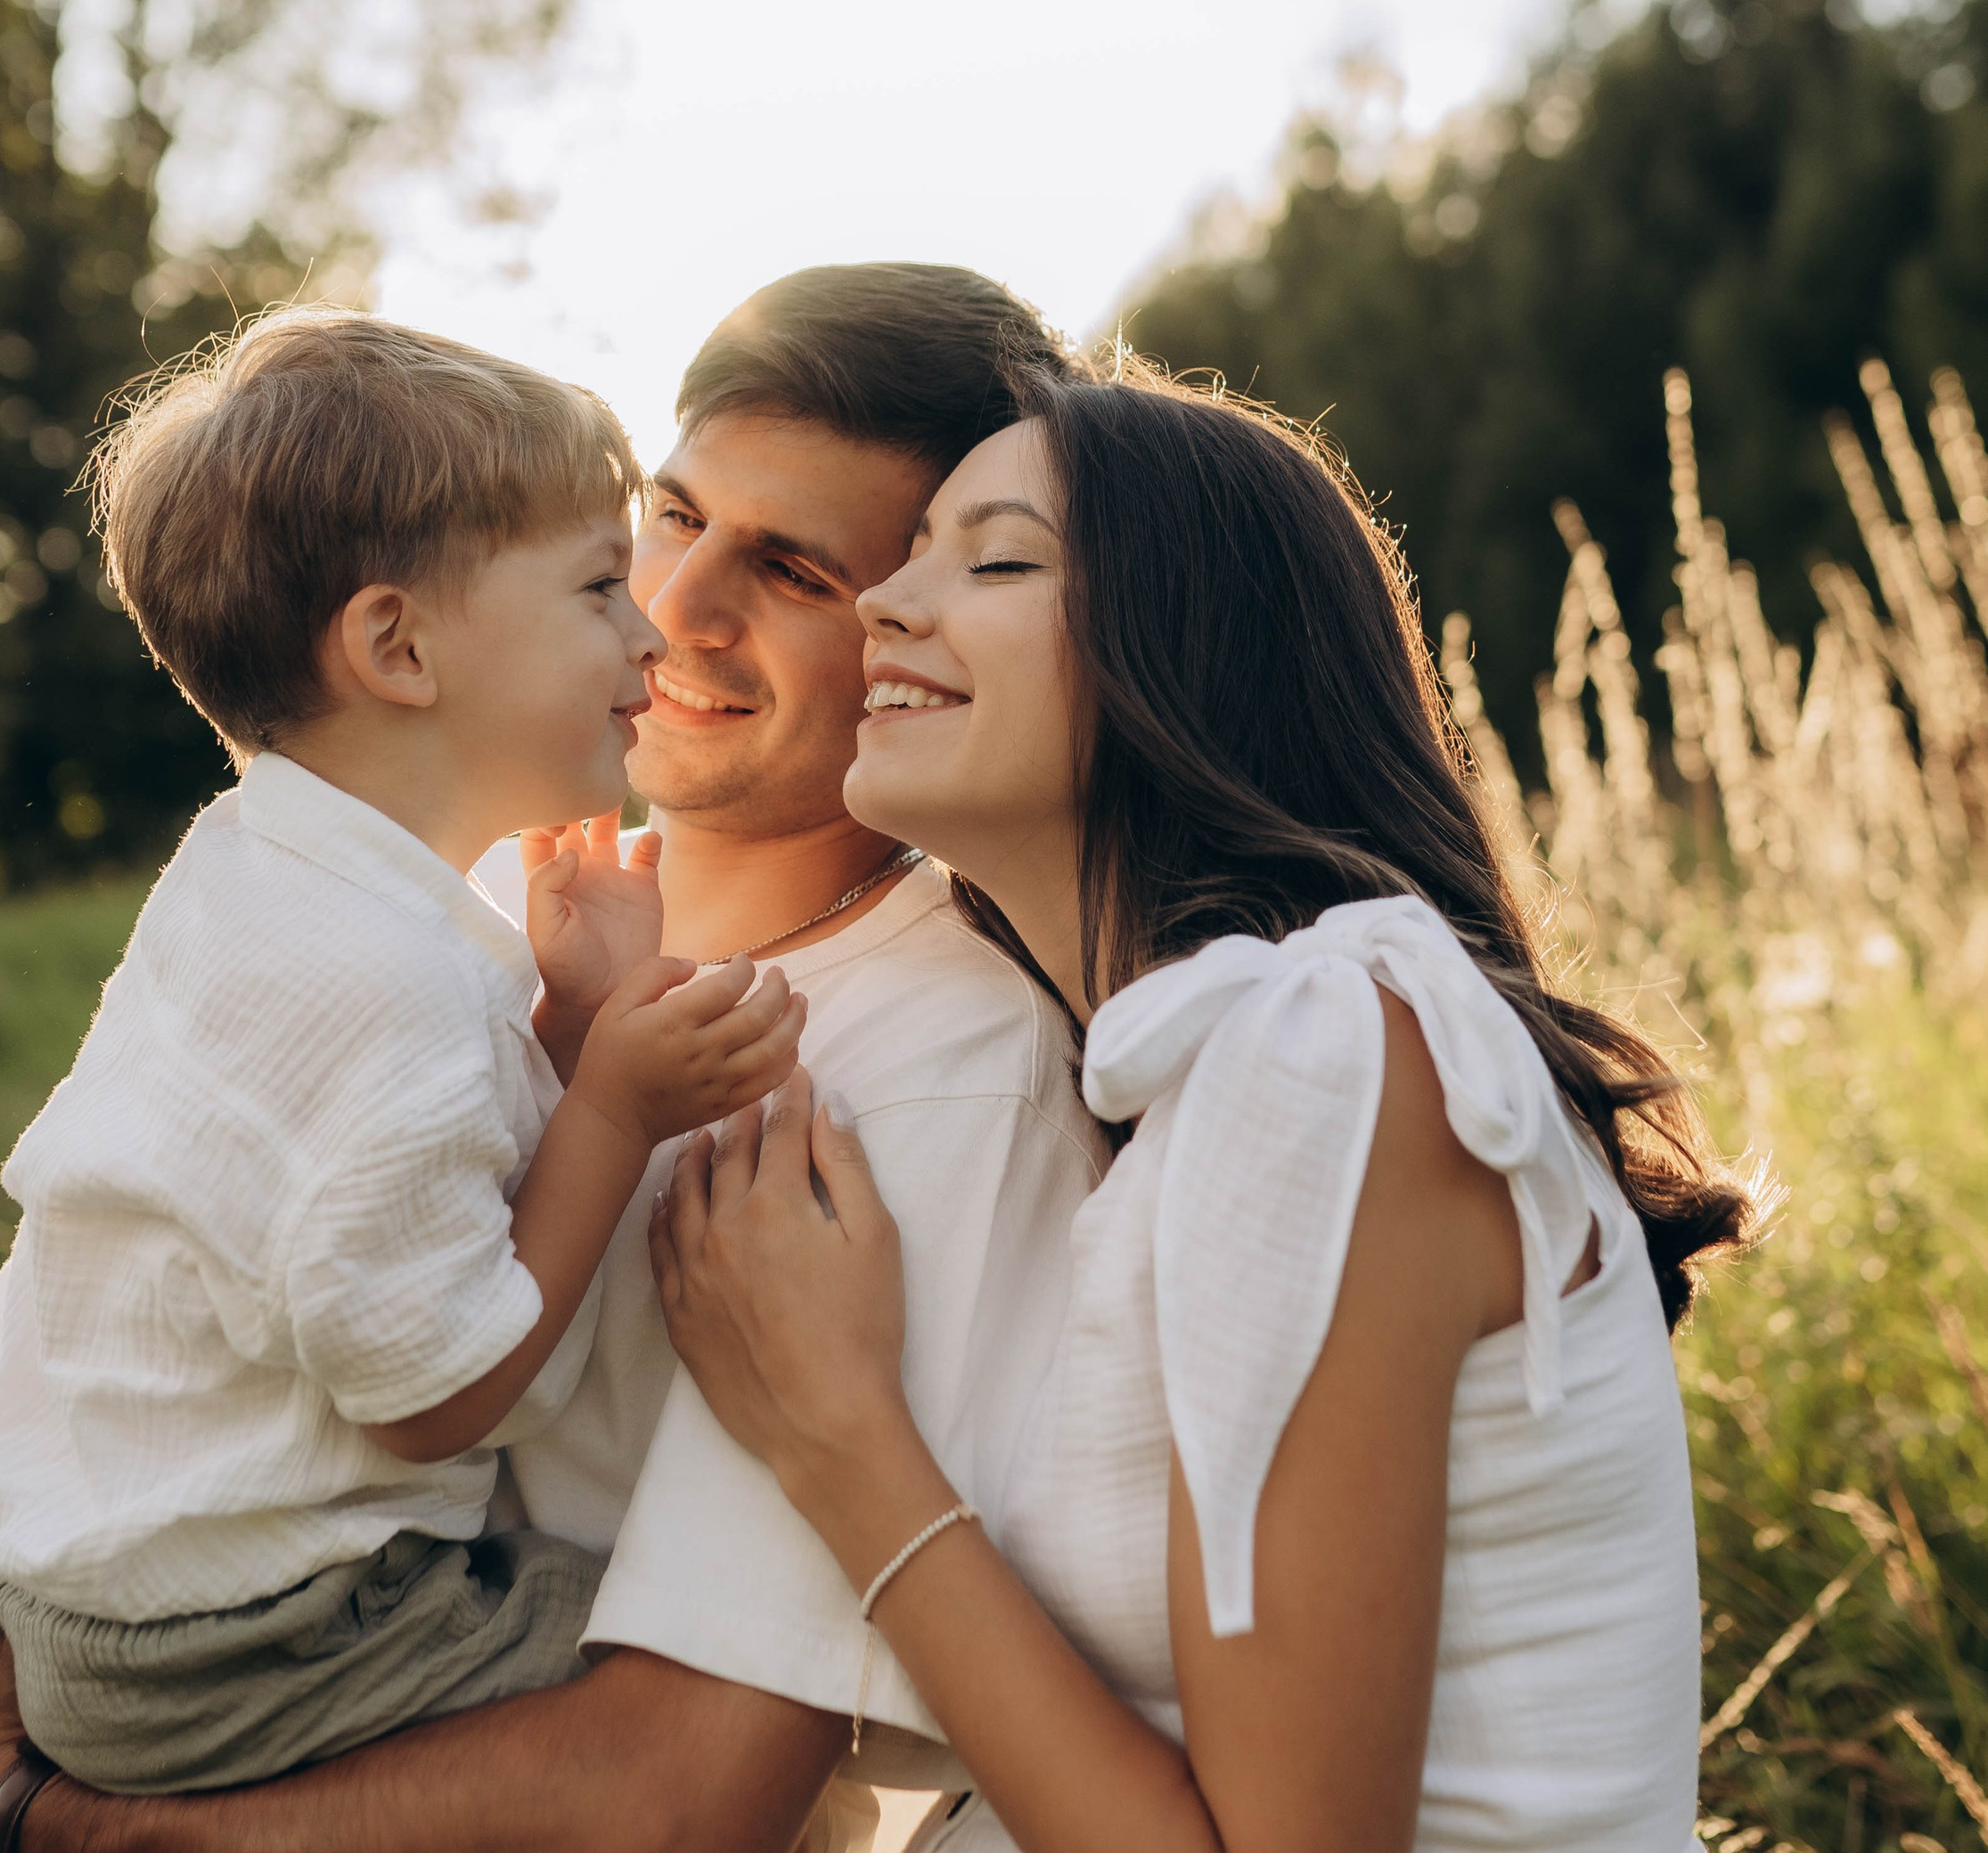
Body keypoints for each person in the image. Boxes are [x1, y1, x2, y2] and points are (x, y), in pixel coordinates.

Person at [0, 265, 1108, 1852]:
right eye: (669, 516)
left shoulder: (933, 1071)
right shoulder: (450, 903)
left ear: (917, 630)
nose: (675, 611)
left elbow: (671, 1793)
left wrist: (36, 1811)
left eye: (794, 571)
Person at [650, 363, 1755, 1851]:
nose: (885, 608)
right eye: (908, 556)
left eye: (997, 558)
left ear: (1190, 646)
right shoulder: (1204, 1081)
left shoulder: (1334, 1047)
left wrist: (838, 1436)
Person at [0, 308, 809, 1798]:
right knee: (710, 1663)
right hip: (240, 1635)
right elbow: (430, 1391)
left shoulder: (266, 874)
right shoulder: (378, 976)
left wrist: (563, 1024)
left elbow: (368, 1194)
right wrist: (614, 1102)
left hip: (91, 1580)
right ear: (398, 645)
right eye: (602, 585)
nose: (651, 630)